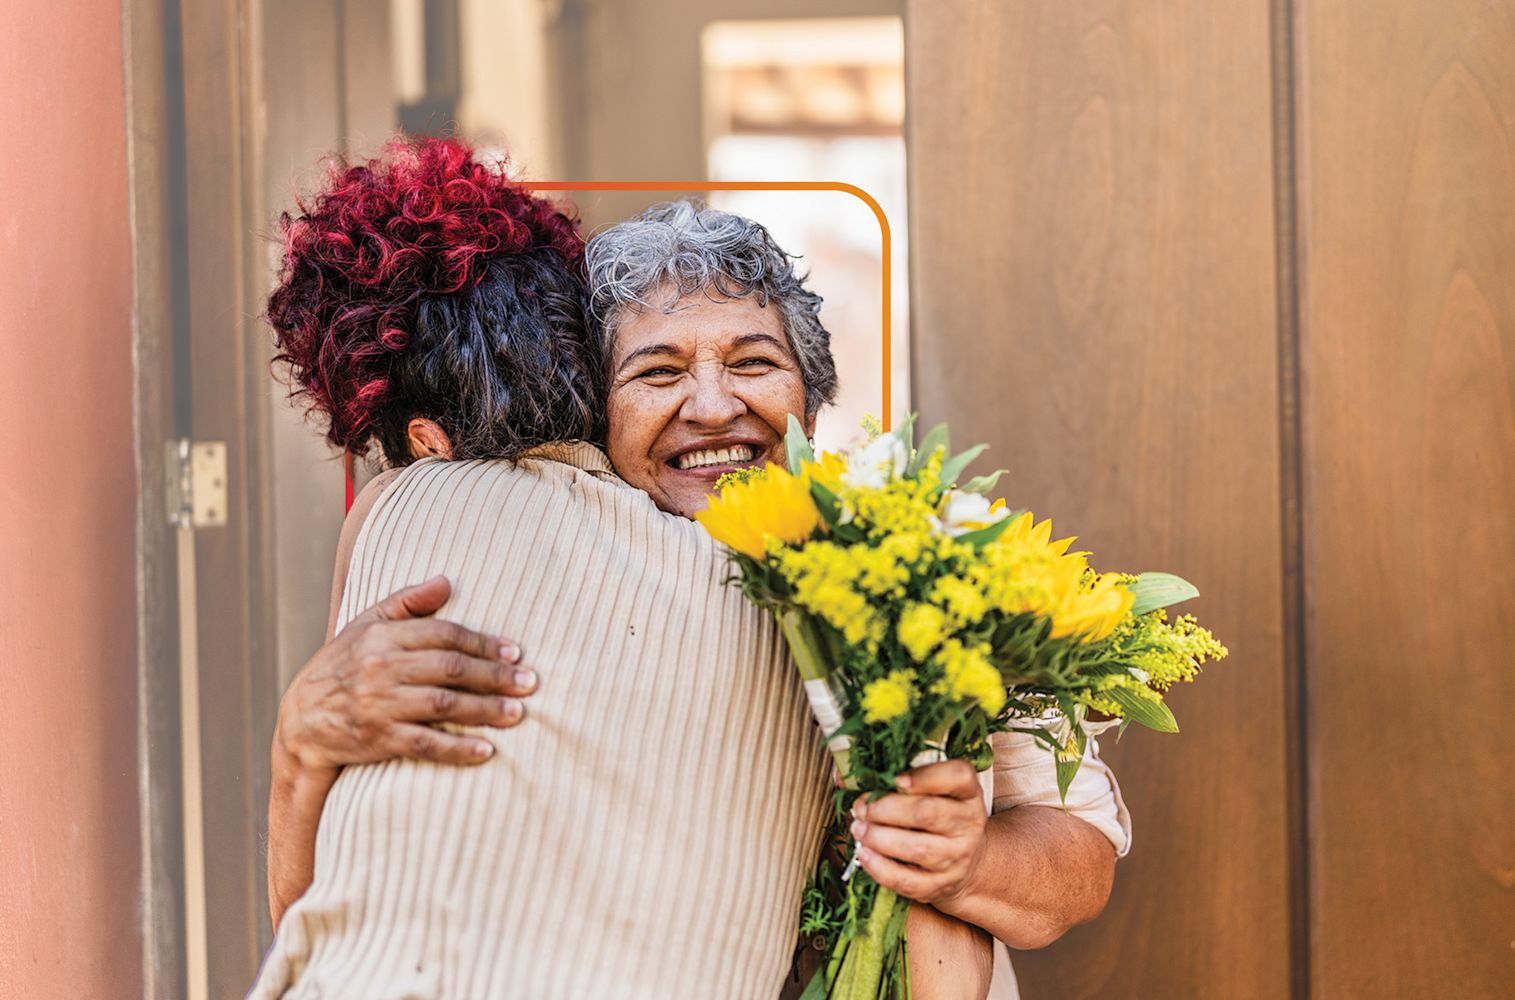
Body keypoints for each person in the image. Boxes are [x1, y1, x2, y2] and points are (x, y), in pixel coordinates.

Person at [257, 138, 1127, 999]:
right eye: (657, 372)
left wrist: (964, 859)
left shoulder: (916, 556)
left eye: (754, 362)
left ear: (809, 400)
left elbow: (1076, 860)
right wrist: (300, 745)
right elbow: (324, 912)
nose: (713, 408)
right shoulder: (522, 562)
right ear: (594, 414)